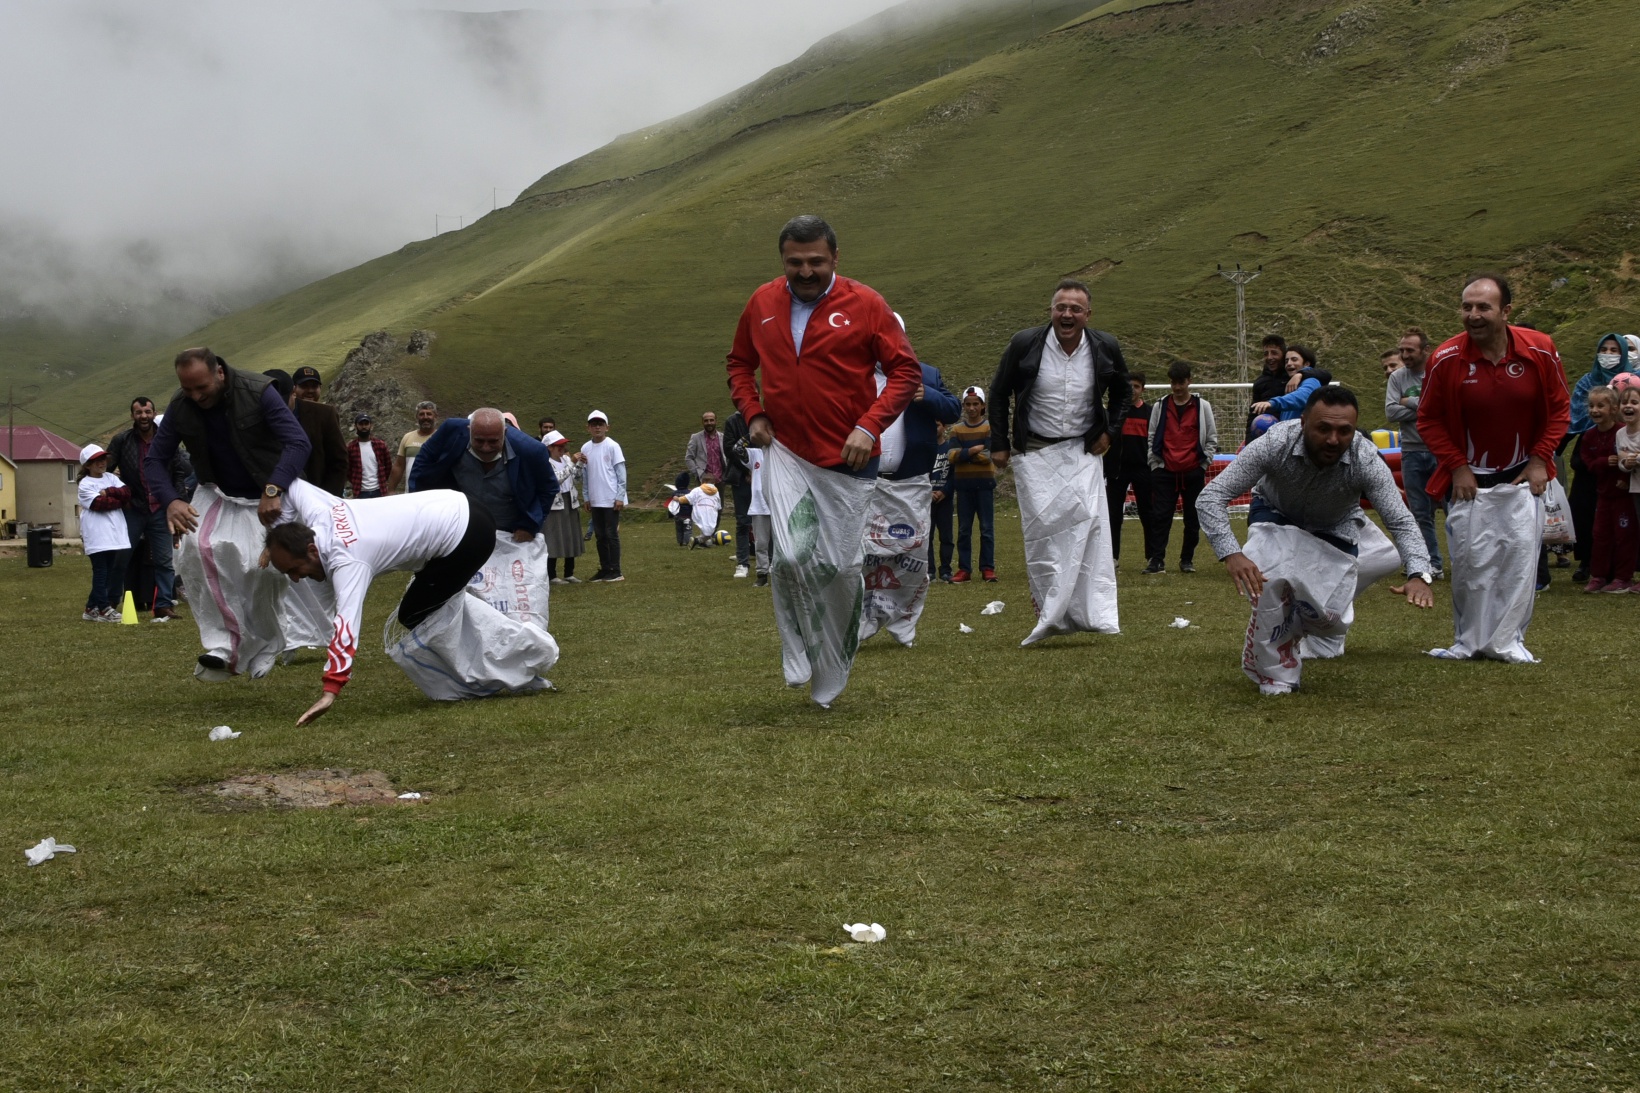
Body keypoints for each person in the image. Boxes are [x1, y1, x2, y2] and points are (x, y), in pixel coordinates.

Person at [725, 214, 920, 705]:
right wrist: (753, 413)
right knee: (789, 556)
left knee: (839, 568)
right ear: (783, 261)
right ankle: (796, 651)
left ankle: (832, 663)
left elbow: (904, 372)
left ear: (835, 258)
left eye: (816, 261)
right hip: (787, 450)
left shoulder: (866, 303)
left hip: (850, 459)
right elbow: (739, 364)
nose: (805, 271)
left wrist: (867, 425)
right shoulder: (763, 302)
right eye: (795, 262)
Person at [1197, 386, 1434, 694]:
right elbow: (1211, 497)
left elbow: (1400, 520)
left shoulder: (1366, 458)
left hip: (1334, 527)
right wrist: (1232, 553)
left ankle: (1324, 638)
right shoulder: (1274, 442)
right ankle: (1276, 676)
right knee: (1273, 581)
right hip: (1275, 514)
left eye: (1344, 430)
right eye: (1323, 428)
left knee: (1331, 610)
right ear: (1303, 421)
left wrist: (1418, 573)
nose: (1333, 440)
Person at [1418, 272, 1570, 663]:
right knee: (1472, 565)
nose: (1473, 315)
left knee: (1518, 563)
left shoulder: (1540, 349)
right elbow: (1429, 419)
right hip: (1470, 480)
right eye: (1467, 307)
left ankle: (1507, 642)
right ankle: (1469, 642)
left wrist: (1540, 459)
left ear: (1506, 311)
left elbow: (1559, 409)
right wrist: (1456, 467)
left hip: (1525, 475)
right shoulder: (1446, 358)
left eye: (1483, 307)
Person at [262, 481, 502, 725]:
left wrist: (330, 690)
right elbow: (293, 486)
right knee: (427, 605)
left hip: (469, 534)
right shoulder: (322, 512)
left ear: (312, 550)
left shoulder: (348, 559)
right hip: (459, 503)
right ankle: (487, 660)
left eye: (294, 569)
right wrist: (274, 533)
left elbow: (346, 625)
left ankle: (498, 662)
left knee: (415, 614)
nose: (295, 578)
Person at [145, 348, 312, 678]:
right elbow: (154, 460)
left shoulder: (259, 391)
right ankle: (222, 644)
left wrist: (273, 488)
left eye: (201, 388)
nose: (195, 396)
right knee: (197, 552)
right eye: (187, 389)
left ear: (219, 372)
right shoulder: (181, 406)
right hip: (218, 490)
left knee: (263, 569)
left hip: (271, 492)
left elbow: (298, 443)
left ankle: (266, 644)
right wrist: (171, 500)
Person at [988, 277, 1130, 644]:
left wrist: (1110, 431)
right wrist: (1000, 443)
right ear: (1051, 310)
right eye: (1060, 307)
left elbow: (1123, 392)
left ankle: (1091, 614)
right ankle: (1050, 613)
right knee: (1044, 536)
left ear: (1087, 314)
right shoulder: (1024, 343)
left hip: (1083, 451)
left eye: (1075, 309)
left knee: (1088, 530)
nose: (1067, 314)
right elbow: (999, 392)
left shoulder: (1105, 347)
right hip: (1035, 451)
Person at [858, 316, 961, 644]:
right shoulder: (851, 373)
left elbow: (953, 410)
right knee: (862, 556)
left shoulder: (925, 373)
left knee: (913, 558)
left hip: (912, 480)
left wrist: (926, 394)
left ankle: (903, 625)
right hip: (864, 479)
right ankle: (863, 620)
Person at [408, 408, 559, 544]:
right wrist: (421, 509)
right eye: (479, 440)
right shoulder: (450, 431)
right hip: (458, 527)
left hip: (508, 531)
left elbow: (549, 488)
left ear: (505, 433)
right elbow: (422, 463)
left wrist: (529, 526)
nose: (486, 448)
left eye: (493, 441)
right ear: (469, 431)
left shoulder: (532, 450)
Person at [107, 396, 191, 620]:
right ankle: (110, 602)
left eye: (147, 412)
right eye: (139, 412)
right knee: (121, 557)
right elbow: (105, 470)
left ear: (154, 413)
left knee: (164, 560)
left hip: (162, 509)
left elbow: (179, 473)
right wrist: (100, 489)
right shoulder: (122, 440)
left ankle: (163, 605)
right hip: (133, 508)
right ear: (132, 415)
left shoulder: (167, 439)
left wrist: (180, 502)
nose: (143, 416)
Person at [1567, 334, 1631, 582]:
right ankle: (1586, 561)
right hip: (1589, 447)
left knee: (1617, 517)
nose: (1608, 354)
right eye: (1604, 349)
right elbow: (1575, 416)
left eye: (1614, 350)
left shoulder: (1631, 380)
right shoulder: (1587, 382)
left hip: (1620, 445)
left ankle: (1617, 567)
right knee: (1583, 510)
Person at [1145, 361, 1218, 574]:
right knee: (1160, 517)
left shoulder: (1202, 406)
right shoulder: (1160, 405)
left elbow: (1211, 438)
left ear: (1189, 382)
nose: (1177, 388)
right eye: (1173, 383)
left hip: (1193, 471)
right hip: (1165, 471)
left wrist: (1204, 464)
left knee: (1192, 519)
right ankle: (1156, 560)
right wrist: (1155, 463)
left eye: (1181, 383)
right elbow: (1152, 436)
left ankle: (1187, 559)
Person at [1384, 328, 1442, 578]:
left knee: (1454, 510)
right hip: (1411, 452)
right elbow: (1390, 412)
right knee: (1419, 513)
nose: (1405, 355)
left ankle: (1466, 563)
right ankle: (1432, 563)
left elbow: (1444, 409)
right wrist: (1425, 407)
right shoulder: (1397, 378)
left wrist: (1407, 402)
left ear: (1425, 350)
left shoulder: (1438, 373)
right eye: (1402, 350)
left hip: (1441, 451)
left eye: (1410, 350)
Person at [1575, 387, 1634, 593]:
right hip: (1602, 494)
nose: (1595, 410)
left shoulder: (1621, 432)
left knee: (1624, 536)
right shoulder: (1589, 436)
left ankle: (1623, 577)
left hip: (1623, 495)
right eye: (1591, 406)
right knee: (1600, 535)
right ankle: (1598, 575)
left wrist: (1623, 477)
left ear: (1613, 409)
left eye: (1601, 405)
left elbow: (1628, 458)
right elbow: (1587, 462)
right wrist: (1603, 462)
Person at [266, 368, 348, 496]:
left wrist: (327, 500)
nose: (310, 391)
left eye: (314, 386)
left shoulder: (325, 414)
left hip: (315, 495)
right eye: (304, 386)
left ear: (292, 392)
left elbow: (339, 461)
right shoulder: (259, 414)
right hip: (273, 496)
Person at [77, 444, 132, 622]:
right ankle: (103, 608)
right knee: (101, 571)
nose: (102, 463)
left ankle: (90, 608)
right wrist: (119, 500)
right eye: (96, 460)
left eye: (103, 459)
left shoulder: (110, 478)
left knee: (107, 571)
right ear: (87, 465)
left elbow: (127, 493)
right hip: (97, 534)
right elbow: (98, 505)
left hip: (114, 533)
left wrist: (108, 492)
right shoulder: (85, 484)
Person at [947, 386, 996, 582]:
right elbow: (951, 456)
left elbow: (988, 456)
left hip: (984, 484)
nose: (972, 408)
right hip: (964, 486)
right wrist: (975, 449)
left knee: (986, 529)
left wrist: (964, 454)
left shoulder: (990, 428)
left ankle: (987, 568)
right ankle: (964, 569)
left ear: (983, 405)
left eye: (976, 404)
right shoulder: (956, 429)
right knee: (964, 530)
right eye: (968, 404)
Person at [1107, 371, 1155, 567]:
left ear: (1142, 389)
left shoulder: (1151, 412)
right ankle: (1112, 557)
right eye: (1129, 386)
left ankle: (1152, 556)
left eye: (1136, 386)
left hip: (1143, 469)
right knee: (1113, 515)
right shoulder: (1115, 411)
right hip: (1118, 469)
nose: (1132, 390)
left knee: (1148, 513)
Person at [581, 410, 628, 582]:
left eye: (600, 424)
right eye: (594, 424)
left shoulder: (612, 446)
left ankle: (616, 570)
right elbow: (585, 474)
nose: (597, 427)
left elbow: (621, 473)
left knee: (611, 534)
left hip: (610, 497)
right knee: (600, 535)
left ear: (607, 427)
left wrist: (620, 496)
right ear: (588, 428)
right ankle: (605, 568)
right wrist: (586, 497)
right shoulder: (585, 448)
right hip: (595, 498)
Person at [541, 430, 583, 583]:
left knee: (569, 535)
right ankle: (551, 574)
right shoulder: (546, 463)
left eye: (563, 444)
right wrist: (572, 462)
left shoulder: (565, 459)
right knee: (553, 537)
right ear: (549, 448)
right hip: (554, 505)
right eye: (558, 445)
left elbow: (576, 479)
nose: (563, 447)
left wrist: (580, 464)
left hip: (569, 501)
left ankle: (569, 572)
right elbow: (555, 480)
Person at [720, 410, 755, 577]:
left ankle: (769, 561)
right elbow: (729, 449)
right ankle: (743, 563)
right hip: (741, 479)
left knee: (767, 519)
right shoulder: (732, 421)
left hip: (763, 476)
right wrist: (747, 470)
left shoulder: (762, 418)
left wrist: (757, 470)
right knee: (743, 521)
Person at [1250, 346, 1325, 422]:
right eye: (1286, 361)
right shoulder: (1291, 382)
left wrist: (1272, 403)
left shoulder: (1311, 380)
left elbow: (1301, 396)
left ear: (1306, 364)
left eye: (1294, 359)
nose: (1289, 363)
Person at [386, 401, 438, 494]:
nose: (425, 417)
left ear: (435, 416)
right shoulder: (407, 437)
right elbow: (399, 466)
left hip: (433, 495)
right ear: (417, 417)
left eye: (429, 414)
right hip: (411, 494)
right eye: (421, 414)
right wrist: (391, 490)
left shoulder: (442, 438)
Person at [1247, 334, 1289, 441]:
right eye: (1266, 354)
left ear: (1283, 354)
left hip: (1289, 436)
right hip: (1265, 439)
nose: (1270, 357)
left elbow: (1323, 375)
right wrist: (1249, 443)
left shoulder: (1293, 376)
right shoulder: (1260, 382)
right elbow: (1252, 415)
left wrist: (1300, 375)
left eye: (1274, 353)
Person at [927, 424, 954, 583]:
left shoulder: (950, 448)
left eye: (937, 425)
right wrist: (927, 492)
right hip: (927, 499)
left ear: (944, 427)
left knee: (946, 536)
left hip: (945, 499)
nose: (934, 428)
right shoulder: (925, 449)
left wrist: (945, 491)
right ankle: (929, 571)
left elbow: (954, 473)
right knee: (927, 536)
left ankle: (946, 570)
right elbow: (920, 473)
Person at [346, 414, 391, 499]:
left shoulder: (380, 445)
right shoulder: (351, 447)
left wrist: (383, 481)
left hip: (379, 491)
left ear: (371, 426)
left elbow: (388, 466)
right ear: (356, 426)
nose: (364, 427)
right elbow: (348, 469)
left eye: (366, 424)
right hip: (360, 492)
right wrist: (356, 482)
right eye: (361, 424)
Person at [746, 443, 771, 586]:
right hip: (759, 505)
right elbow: (737, 450)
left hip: (779, 503)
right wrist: (752, 431)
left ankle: (786, 574)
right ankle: (762, 574)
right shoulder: (755, 453)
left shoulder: (782, 452)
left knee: (783, 543)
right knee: (761, 543)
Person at [685, 412, 726, 485]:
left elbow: (727, 456)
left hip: (720, 480)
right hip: (703, 481)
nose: (709, 423)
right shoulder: (696, 438)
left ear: (716, 421)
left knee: (719, 497)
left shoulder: (723, 437)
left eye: (711, 420)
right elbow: (689, 458)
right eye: (706, 421)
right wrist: (698, 473)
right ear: (702, 422)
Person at [685, 482, 723, 547]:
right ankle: (697, 540)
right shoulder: (716, 492)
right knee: (709, 530)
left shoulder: (699, 490)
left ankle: (702, 541)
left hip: (702, 511)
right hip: (711, 512)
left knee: (706, 527)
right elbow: (719, 505)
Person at [668, 470, 693, 546]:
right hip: (687, 516)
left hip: (677, 515)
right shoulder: (689, 493)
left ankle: (680, 542)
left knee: (679, 530)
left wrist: (670, 514)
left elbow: (671, 504)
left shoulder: (674, 493)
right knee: (687, 530)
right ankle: (687, 542)